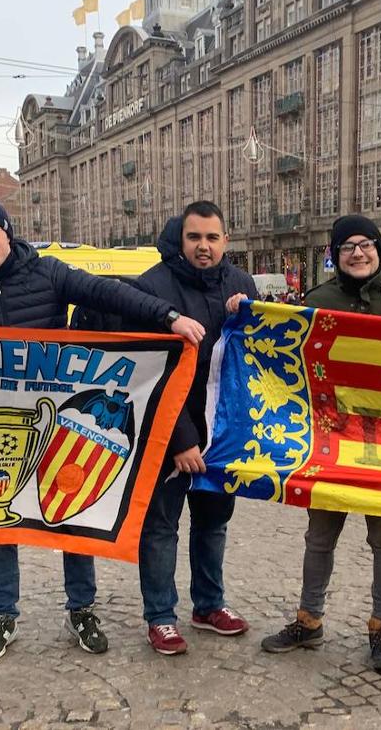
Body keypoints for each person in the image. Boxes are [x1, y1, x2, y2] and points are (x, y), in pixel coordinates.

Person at [0, 198, 204, 664]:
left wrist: (168, 316)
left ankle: (82, 609)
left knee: (71, 514)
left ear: (7, 231)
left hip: (53, 419)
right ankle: (3, 614)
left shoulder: (48, 273)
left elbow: (110, 293)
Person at [258, 215, 381, 671]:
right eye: (347, 246)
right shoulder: (316, 302)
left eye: (366, 244)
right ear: (335, 255)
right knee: (320, 537)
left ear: (378, 249)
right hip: (331, 440)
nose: (358, 252)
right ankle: (309, 619)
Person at [132, 201, 257, 656]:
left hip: (221, 435)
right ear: (180, 239)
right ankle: (161, 617)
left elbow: (252, 364)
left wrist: (248, 317)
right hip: (169, 433)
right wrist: (180, 439)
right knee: (161, 526)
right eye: (194, 238)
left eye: (211, 238)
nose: (203, 247)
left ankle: (208, 605)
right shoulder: (153, 289)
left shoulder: (242, 284)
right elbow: (152, 372)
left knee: (213, 523)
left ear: (225, 240)